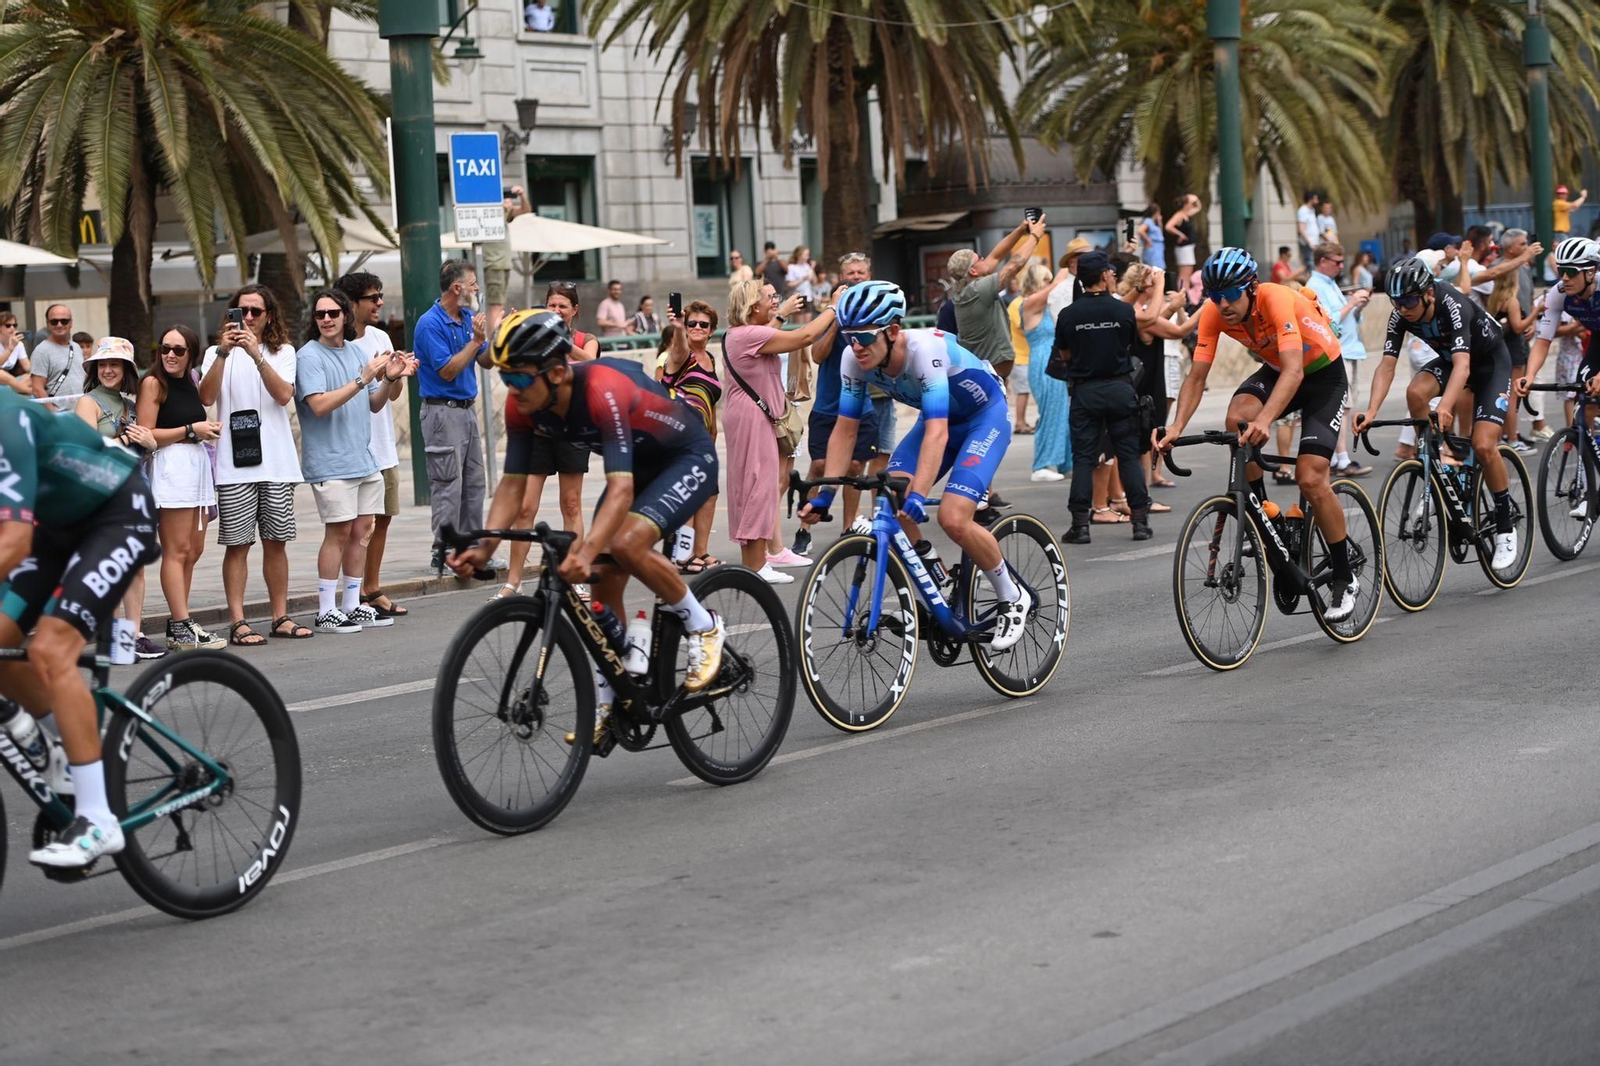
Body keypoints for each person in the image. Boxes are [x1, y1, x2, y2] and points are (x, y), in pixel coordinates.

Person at [448, 310, 725, 747]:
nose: (512, 390)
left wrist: (585, 549)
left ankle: (702, 623)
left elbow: (619, 489)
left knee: (624, 544)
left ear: (557, 372)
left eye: (519, 379)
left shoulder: (601, 389)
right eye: (506, 379)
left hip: (685, 456)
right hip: (640, 464)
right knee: (604, 582)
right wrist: (485, 546)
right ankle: (608, 705)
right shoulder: (523, 404)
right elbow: (511, 486)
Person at [798, 281, 1032, 651]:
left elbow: (938, 434)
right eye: (849, 337)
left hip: (982, 418)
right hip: (937, 422)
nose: (855, 346)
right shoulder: (852, 358)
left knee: (953, 518)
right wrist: (825, 494)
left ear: (893, 331)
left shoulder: (926, 350)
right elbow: (845, 431)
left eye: (864, 336)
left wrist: (920, 494)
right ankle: (931, 571)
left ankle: (1012, 594)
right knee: (890, 496)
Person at [0, 384, 160, 868]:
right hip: (57, 526)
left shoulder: (7, 424)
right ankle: (58, 746)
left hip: (116, 512)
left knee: (50, 650)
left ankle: (98, 819)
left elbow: (13, 543)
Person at [1161, 248, 1362, 622]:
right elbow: (1196, 377)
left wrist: (1266, 420)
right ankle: (1267, 514)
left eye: (1229, 296)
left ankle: (1344, 577)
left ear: (1251, 288)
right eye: (1214, 297)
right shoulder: (1214, 312)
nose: (1222, 305)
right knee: (1236, 418)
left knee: (1311, 477)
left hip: (1321, 376)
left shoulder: (1276, 298)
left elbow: (1294, 372)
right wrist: (1175, 427)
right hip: (1278, 371)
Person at [1356, 257, 1519, 571]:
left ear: (1428, 293)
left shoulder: (1452, 304)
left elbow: (1464, 366)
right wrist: (1372, 410)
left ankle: (1504, 525)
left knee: (1484, 445)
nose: (1402, 308)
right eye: (1396, 302)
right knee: (1415, 392)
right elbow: (1387, 365)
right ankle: (1435, 463)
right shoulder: (1401, 313)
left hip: (1489, 364)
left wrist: (1445, 407)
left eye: (1408, 301)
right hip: (1451, 360)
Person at [200, 284, 312, 646]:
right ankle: (238, 621)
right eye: (241, 311)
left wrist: (256, 355)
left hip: (276, 464)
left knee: (276, 542)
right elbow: (206, 396)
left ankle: (280, 615)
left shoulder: (284, 352)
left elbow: (283, 395)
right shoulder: (215, 353)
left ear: (269, 316)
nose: (247, 318)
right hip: (234, 465)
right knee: (237, 544)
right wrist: (223, 353)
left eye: (255, 312)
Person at [295, 288, 408, 634]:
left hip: (364, 459)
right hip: (331, 462)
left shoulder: (356, 351)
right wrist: (362, 378)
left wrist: (390, 376)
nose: (326, 319)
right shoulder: (308, 357)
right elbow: (318, 405)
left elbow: (374, 403)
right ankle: (326, 609)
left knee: (362, 533)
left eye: (332, 313)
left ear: (345, 316)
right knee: (339, 532)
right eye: (320, 314)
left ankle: (351, 603)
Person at [722, 279, 833, 583]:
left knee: (754, 485)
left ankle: (755, 563)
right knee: (758, 484)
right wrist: (834, 307)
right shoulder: (751, 334)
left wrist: (781, 315)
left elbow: (781, 331)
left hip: (749, 415)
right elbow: (806, 336)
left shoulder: (743, 334)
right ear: (752, 306)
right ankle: (757, 566)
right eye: (767, 298)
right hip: (752, 418)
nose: (773, 302)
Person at [497, 281, 598, 598]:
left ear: (574, 311)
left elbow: (592, 365)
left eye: (562, 307)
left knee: (571, 504)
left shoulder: (586, 339)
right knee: (525, 508)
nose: (556, 312)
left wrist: (562, 343)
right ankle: (513, 581)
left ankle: (573, 575)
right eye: (551, 306)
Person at [1053, 253, 1154, 544]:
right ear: (1104, 275)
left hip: (1086, 391)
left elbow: (1065, 355)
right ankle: (1139, 522)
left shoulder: (1069, 314)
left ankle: (1081, 525)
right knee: (1128, 455)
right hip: (1120, 388)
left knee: (1084, 458)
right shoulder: (1123, 311)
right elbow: (1128, 345)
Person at [73, 338, 162, 660]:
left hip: (134, 494)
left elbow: (144, 451)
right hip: (102, 498)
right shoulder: (89, 403)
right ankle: (112, 639)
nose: (108, 370)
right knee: (110, 568)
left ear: (126, 370)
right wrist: (127, 438)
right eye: (103, 365)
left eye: (115, 364)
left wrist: (151, 443)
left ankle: (133, 635)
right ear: (95, 370)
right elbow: (86, 451)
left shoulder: (133, 406)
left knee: (136, 567)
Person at [336, 272, 418, 619]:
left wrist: (395, 374)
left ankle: (373, 588)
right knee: (353, 526)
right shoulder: (336, 342)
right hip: (351, 447)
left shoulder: (381, 336)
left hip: (383, 445)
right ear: (352, 304)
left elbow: (390, 396)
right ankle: (349, 594)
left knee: (381, 520)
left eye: (380, 295)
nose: (380, 303)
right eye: (373, 297)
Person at [136, 325, 222, 650]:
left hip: (195, 470)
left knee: (193, 551)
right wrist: (191, 430)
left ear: (191, 355)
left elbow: (209, 396)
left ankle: (179, 623)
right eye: (165, 348)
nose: (170, 355)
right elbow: (145, 434)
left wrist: (201, 431)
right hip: (171, 470)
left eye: (179, 350)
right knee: (176, 550)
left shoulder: (191, 380)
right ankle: (182, 622)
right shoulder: (153, 383)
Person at [414, 259, 493, 573]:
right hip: (441, 413)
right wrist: (474, 342)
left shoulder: (468, 317)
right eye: (473, 284)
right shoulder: (430, 323)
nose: (477, 289)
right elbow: (447, 370)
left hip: (467, 410)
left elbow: (485, 361)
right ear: (457, 288)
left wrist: (494, 337)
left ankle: (471, 547)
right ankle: (443, 550)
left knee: (474, 483)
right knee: (448, 483)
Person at [800, 262, 882, 540]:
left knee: (856, 468)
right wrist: (835, 318)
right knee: (822, 465)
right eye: (851, 273)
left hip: (862, 406)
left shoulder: (873, 314)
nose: (856, 277)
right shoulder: (830, 315)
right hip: (827, 406)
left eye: (861, 273)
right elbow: (817, 355)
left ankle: (848, 528)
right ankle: (805, 528)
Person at [1518, 238, 1600, 473]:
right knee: (1582, 409)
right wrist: (1530, 375)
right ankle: (1587, 491)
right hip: (1597, 342)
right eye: (1560, 270)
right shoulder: (1559, 294)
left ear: (1591, 272)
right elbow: (1543, 341)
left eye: (1570, 272)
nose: (1563, 277)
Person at [657, 304, 724, 573]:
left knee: (709, 494)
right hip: (679, 437)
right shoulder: (679, 356)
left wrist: (713, 432)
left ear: (712, 331)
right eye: (692, 324)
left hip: (703, 438)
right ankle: (683, 556)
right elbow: (680, 348)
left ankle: (700, 551)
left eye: (703, 325)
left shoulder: (710, 358)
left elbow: (709, 399)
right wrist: (677, 325)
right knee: (688, 493)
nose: (697, 328)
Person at [1117, 262, 1189, 499]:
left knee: (1141, 445)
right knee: (1140, 443)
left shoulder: (1132, 308)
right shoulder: (1135, 310)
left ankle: (1137, 496)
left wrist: (1172, 307)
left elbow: (1154, 323)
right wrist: (1207, 309)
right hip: (1143, 384)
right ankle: (1139, 498)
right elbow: (1157, 324)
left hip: (1139, 381)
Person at [1303, 243, 1375, 477]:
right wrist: (1352, 303)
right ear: (1323, 261)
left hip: (1349, 349)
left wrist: (1357, 307)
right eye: (1337, 262)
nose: (1342, 267)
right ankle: (1341, 459)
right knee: (1342, 408)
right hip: (1337, 352)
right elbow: (1325, 322)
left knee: (1344, 406)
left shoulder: (1330, 284)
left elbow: (1345, 318)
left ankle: (1336, 457)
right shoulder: (1314, 287)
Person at [949, 213, 1045, 373]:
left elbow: (996, 255)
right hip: (990, 371)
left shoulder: (965, 285)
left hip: (986, 369)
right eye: (979, 258)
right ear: (972, 271)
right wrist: (1035, 236)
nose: (983, 258)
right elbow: (1014, 265)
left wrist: (1021, 230)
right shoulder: (977, 289)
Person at [1015, 263, 1073, 481]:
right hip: (1042, 361)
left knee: (1064, 413)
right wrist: (1060, 277)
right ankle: (1043, 464)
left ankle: (1063, 461)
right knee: (1051, 411)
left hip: (1054, 360)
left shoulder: (1044, 306)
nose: (1050, 283)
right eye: (1045, 280)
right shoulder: (1028, 304)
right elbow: (1054, 287)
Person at [482, 186, 531, 339]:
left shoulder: (505, 212)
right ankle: (492, 340)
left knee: (500, 303)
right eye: (505, 197)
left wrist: (522, 195)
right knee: (495, 305)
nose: (508, 200)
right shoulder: (489, 212)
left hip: (503, 263)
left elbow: (525, 210)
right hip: (493, 263)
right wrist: (502, 208)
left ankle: (494, 338)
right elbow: (493, 222)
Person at [29, 303, 83, 403]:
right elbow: (37, 389)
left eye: (64, 321)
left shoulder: (77, 347)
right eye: (54, 321)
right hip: (60, 415)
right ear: (48, 324)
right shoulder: (41, 351)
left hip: (83, 412)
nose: (59, 325)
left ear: (71, 323)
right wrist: (54, 414)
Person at [1165, 193, 1202, 288]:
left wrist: (1195, 198)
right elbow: (1168, 226)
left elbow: (1198, 207)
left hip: (1188, 247)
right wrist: (1179, 234)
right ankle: (1182, 293)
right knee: (1184, 274)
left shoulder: (1187, 214)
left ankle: (1185, 293)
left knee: (1188, 272)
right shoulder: (1179, 215)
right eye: (1190, 203)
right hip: (1184, 248)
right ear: (1186, 204)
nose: (1192, 204)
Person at [0, 311, 29, 394]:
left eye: (14, 325)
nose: (12, 328)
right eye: (8, 325)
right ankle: (29, 391)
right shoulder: (14, 344)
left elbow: (26, 366)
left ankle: (10, 390)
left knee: (29, 377)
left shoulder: (18, 344)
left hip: (11, 382)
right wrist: (11, 348)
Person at [1295, 190, 1321, 270]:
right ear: (1310, 199)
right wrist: (1309, 242)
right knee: (1310, 265)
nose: (1317, 201)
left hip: (1314, 243)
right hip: (1307, 244)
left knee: (1315, 264)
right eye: (1315, 198)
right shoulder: (1303, 211)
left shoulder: (1312, 210)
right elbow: (1301, 228)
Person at [1137, 205, 1166, 269]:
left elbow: (1160, 234)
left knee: (1159, 268)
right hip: (1153, 248)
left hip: (1158, 248)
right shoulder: (1148, 221)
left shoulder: (1154, 223)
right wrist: (1148, 240)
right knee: (1154, 268)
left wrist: (1160, 222)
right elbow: (1140, 230)